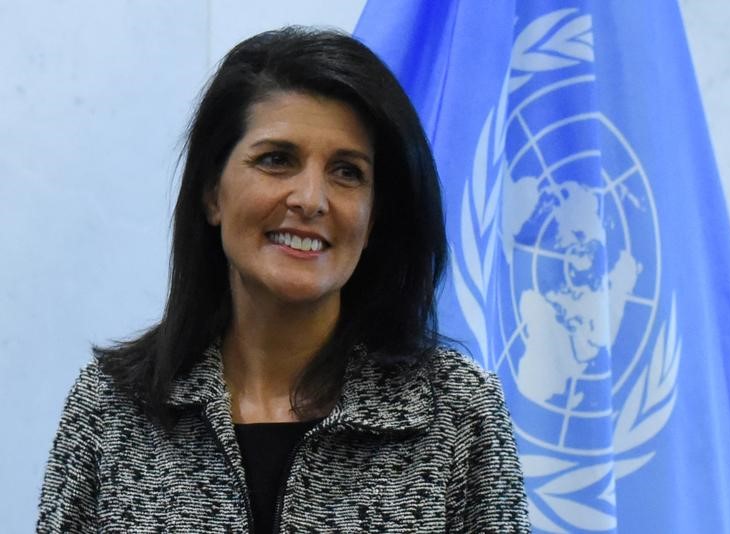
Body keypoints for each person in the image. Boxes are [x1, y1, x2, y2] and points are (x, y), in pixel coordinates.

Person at [37, 26, 530, 533]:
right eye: (277, 160)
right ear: (212, 193)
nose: (311, 199)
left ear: (374, 218)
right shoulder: (114, 406)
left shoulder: (457, 411)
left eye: (347, 172)